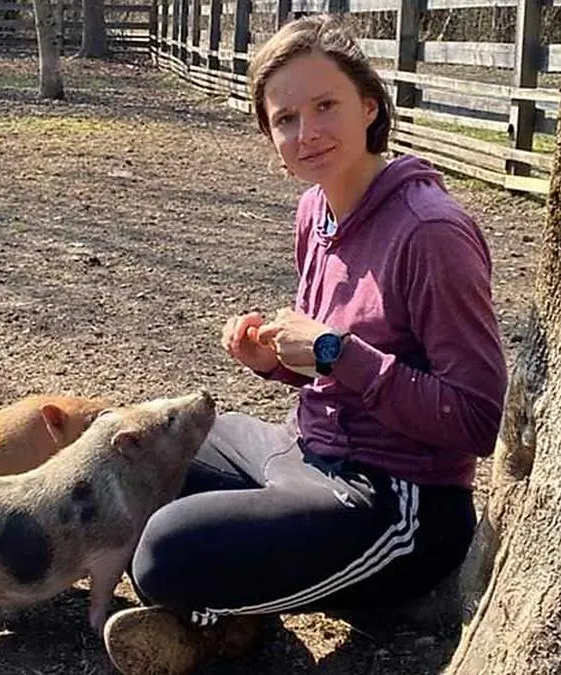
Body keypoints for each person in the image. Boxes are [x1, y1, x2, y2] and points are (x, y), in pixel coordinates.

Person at [102, 13, 508, 675]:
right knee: (145, 444)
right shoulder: (315, 210)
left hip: (395, 498)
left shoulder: (432, 232)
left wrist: (332, 351)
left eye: (326, 106)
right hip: (307, 452)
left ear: (370, 106)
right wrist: (279, 363)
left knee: (163, 555)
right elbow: (336, 365)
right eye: (285, 118)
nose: (307, 131)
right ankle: (226, 621)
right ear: (270, 135)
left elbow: (476, 419)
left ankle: (221, 616)